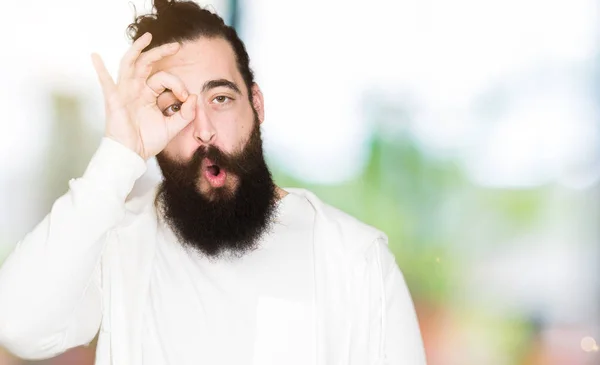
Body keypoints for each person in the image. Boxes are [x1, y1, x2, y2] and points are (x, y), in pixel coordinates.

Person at [0, 1, 426, 364]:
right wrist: (119, 153)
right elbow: (19, 325)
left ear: (256, 105)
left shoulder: (357, 262)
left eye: (220, 98)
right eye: (173, 108)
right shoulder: (117, 245)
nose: (202, 128)